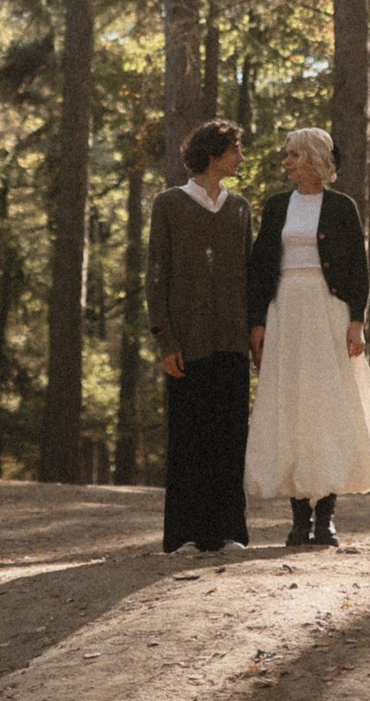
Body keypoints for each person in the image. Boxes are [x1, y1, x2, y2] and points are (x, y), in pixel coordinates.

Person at [244, 126, 370, 547]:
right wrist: (258, 322)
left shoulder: (342, 207)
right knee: (293, 407)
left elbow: (358, 269)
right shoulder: (276, 207)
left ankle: (326, 518)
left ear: (313, 159)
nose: (287, 162)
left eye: (294, 155)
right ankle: (298, 518)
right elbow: (261, 267)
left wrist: (357, 321)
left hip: (328, 312)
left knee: (326, 407)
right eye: (287, 155)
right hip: (286, 310)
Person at [146, 118, 255, 552]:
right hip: (187, 344)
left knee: (229, 438)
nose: (241, 158)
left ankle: (228, 532)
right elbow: (157, 276)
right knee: (188, 439)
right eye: (235, 150)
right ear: (213, 154)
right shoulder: (169, 204)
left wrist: (254, 333)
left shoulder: (240, 208)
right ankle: (184, 535)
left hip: (232, 342)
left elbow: (249, 275)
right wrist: (166, 340)